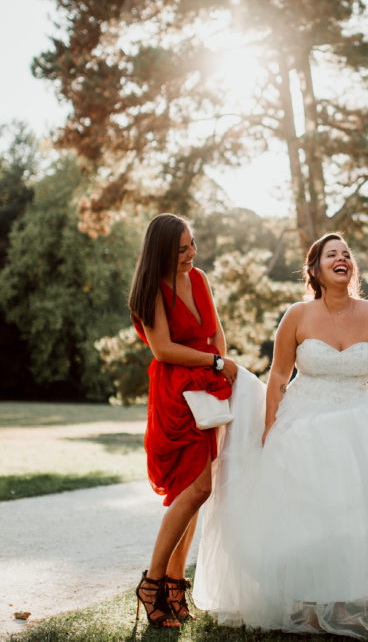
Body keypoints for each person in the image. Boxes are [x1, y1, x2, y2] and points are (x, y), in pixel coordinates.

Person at [193, 233, 368, 641]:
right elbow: (278, 375)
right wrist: (271, 425)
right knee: (309, 508)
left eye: (346, 254)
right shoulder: (297, 314)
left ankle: (341, 596)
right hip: (305, 415)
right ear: (316, 268)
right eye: (332, 254)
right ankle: (309, 602)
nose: (341, 259)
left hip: (358, 412)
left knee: (352, 510)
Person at [126, 213, 239, 628]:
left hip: (207, 393)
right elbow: (163, 349)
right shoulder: (150, 291)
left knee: (197, 492)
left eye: (192, 244)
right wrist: (214, 361)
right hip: (176, 397)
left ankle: (174, 583)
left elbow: (217, 336)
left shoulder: (200, 279)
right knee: (192, 490)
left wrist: (219, 370)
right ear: (161, 253)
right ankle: (152, 582)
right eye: (181, 250)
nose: (192, 254)